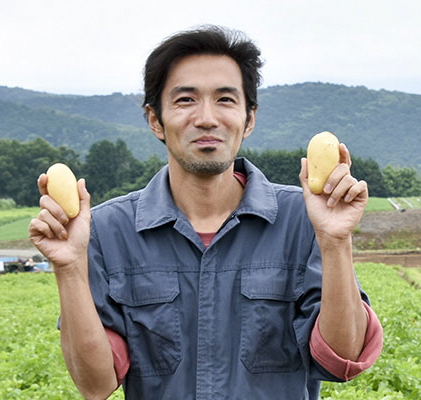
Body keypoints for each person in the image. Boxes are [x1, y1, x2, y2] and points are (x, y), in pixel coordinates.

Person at [29, 25, 383, 400]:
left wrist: (335, 241)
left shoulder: (303, 219)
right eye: (185, 100)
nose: (207, 118)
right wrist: (68, 268)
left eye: (226, 100)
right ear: (155, 120)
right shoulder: (106, 230)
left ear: (249, 119)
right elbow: (95, 383)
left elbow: (342, 359)